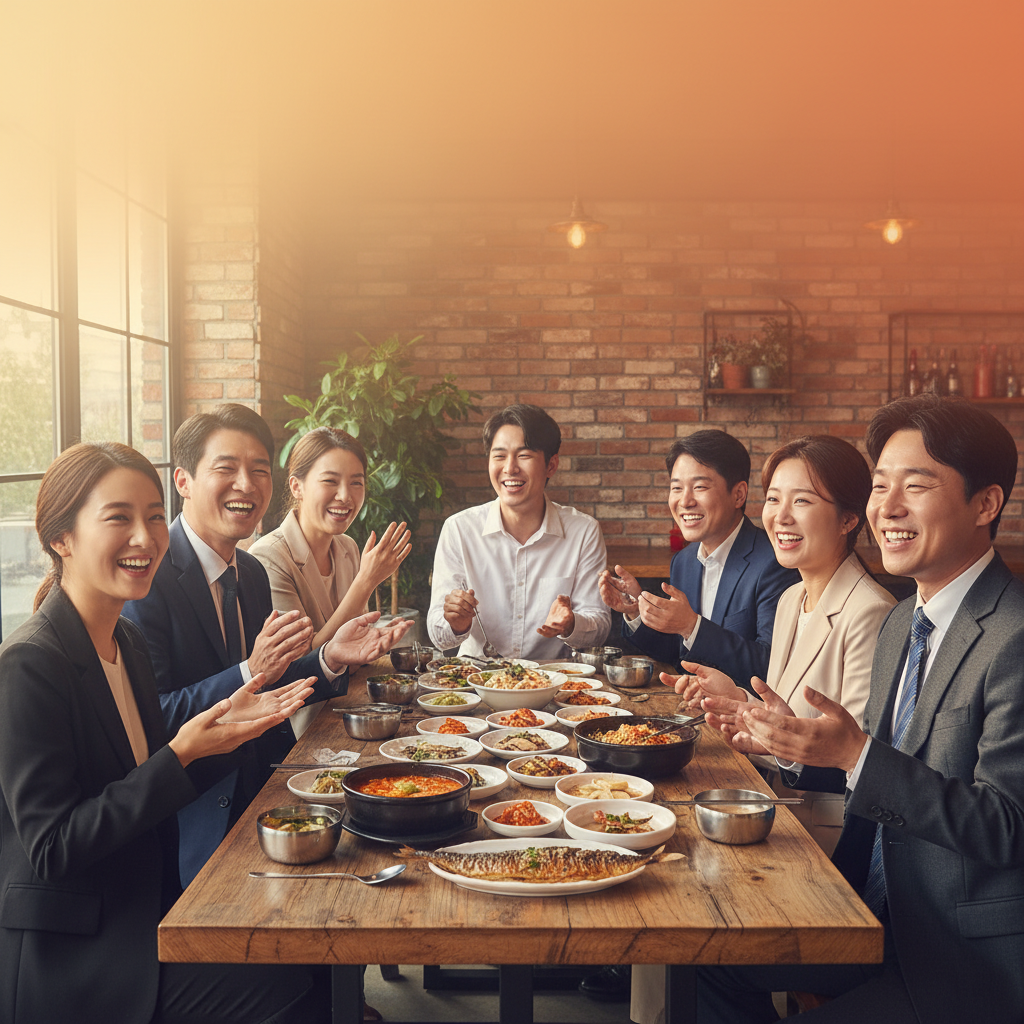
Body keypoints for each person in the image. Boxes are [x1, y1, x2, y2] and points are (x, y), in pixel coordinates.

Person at [696, 395, 1024, 1023]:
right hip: (868, 905)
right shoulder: (906, 620)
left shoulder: (1011, 636)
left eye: (916, 486)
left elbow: (1007, 825)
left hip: (956, 954)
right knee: (706, 956)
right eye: (880, 486)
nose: (888, 508)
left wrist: (852, 754)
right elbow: (869, 770)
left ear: (986, 504)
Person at [0, 442, 329, 1024]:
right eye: (118, 518)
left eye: (155, 517)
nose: (145, 537)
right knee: (288, 987)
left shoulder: (122, 641)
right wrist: (181, 754)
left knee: (310, 953)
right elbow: (53, 848)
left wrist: (223, 738)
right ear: (61, 538)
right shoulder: (30, 662)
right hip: (80, 948)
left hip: (149, 899)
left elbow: (151, 774)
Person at [124, 404, 411, 884]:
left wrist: (329, 658)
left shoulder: (248, 571)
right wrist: (245, 673)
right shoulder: (147, 576)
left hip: (273, 786)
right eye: (226, 469)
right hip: (198, 811)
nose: (246, 484)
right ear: (183, 482)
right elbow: (151, 716)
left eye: (259, 470)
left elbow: (273, 683)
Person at [671, 435, 896, 853]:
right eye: (773, 500)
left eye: (803, 502)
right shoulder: (792, 597)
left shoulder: (871, 611)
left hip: (823, 836)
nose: (780, 517)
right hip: (771, 810)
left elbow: (860, 763)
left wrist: (784, 748)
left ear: (849, 519)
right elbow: (784, 713)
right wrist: (737, 698)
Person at [600, 429, 798, 689]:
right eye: (676, 488)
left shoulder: (774, 562)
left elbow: (772, 665)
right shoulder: (684, 561)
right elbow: (678, 653)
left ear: (738, 494)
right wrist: (637, 610)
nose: (685, 501)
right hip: (694, 709)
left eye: (700, 487)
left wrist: (692, 626)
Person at [250, 427, 411, 737]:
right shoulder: (268, 558)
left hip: (352, 706)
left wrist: (375, 642)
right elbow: (300, 664)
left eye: (356, 483)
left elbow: (352, 647)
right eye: (330, 481)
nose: (345, 496)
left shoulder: (347, 548)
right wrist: (366, 581)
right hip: (301, 726)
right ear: (297, 486)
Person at [427, 403, 610, 660]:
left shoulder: (583, 531)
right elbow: (438, 636)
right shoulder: (459, 529)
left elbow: (599, 626)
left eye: (524, 455)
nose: (510, 468)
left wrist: (571, 624)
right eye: (499, 456)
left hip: (553, 682)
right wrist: (457, 623)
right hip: (477, 680)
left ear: (551, 465)